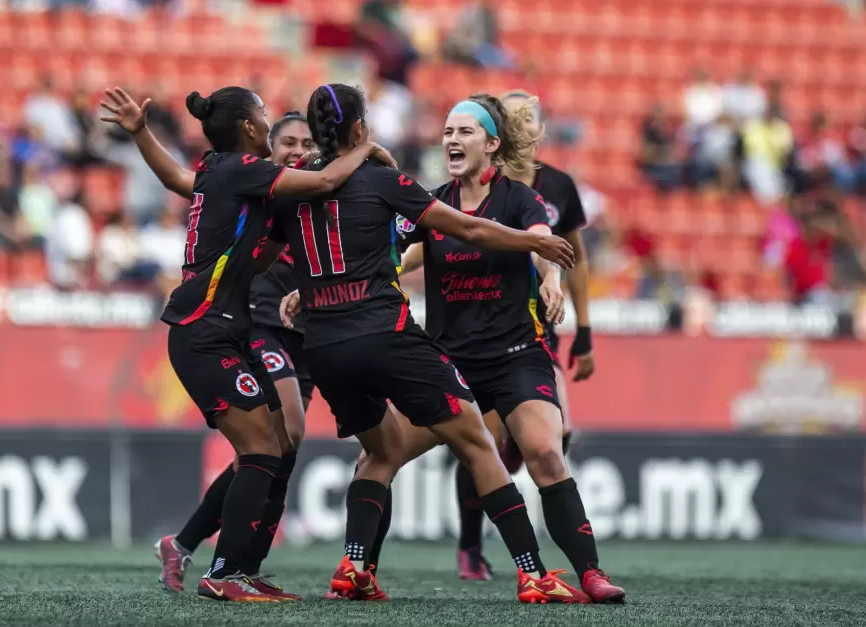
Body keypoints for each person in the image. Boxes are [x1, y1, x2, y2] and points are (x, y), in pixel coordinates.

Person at [272, 84, 583, 604]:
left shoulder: (292, 188)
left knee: (381, 451)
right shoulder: (387, 181)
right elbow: (470, 229)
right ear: (359, 128)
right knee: (479, 444)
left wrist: (306, 293)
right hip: (384, 335)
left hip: (322, 346)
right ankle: (533, 574)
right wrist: (534, 241)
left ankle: (353, 568)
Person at [99, 86, 392, 603]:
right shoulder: (242, 170)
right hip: (206, 330)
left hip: (216, 329)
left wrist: (141, 132)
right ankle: (225, 572)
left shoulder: (221, 173)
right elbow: (326, 180)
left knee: (275, 441)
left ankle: (236, 565)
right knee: (262, 447)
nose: (270, 121)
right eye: (263, 116)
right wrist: (364, 147)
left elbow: (181, 184)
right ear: (254, 131)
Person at [374, 92, 624, 603]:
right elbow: (400, 256)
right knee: (381, 453)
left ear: (491, 144)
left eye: (464, 132)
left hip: (515, 356)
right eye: (447, 132)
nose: (451, 140)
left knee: (545, 455)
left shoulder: (521, 197)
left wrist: (550, 281)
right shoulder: (431, 203)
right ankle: (359, 571)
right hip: (448, 363)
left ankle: (591, 574)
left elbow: (540, 243)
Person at [152, 112, 318, 598]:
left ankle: (211, 554)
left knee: (278, 448)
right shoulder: (253, 182)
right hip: (255, 328)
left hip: (293, 337)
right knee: (279, 438)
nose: (296, 149)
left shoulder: (292, 201)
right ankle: (224, 570)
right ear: (268, 141)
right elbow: (184, 180)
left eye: (307, 141)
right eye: (287, 140)